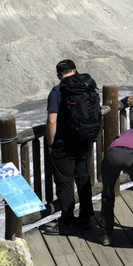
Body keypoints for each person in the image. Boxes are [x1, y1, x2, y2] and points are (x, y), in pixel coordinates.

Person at [44, 59, 96, 236]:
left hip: (63, 146)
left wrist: (51, 144)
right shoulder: (86, 86)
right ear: (75, 71)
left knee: (65, 183)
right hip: (84, 141)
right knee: (83, 178)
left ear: (59, 75)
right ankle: (86, 218)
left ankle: (67, 222)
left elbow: (52, 122)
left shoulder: (57, 91)